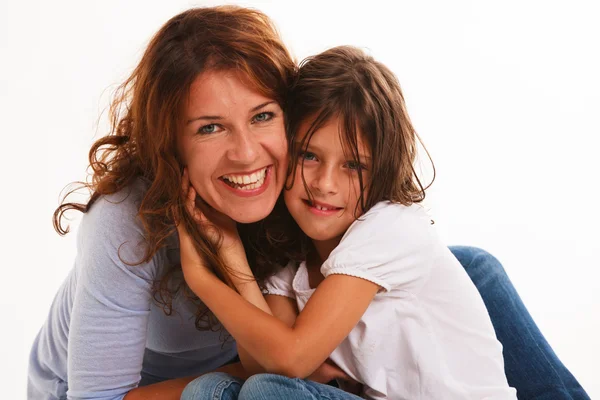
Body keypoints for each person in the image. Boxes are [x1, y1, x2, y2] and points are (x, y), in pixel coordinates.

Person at [28, 5, 589, 400]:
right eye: (209, 128)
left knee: (472, 267)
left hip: (257, 358)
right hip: (128, 392)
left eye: (263, 116)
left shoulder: (290, 183)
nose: (247, 154)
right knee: (257, 388)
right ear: (168, 140)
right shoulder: (125, 224)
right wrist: (272, 365)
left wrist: (296, 355)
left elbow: (277, 349)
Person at [177, 45, 519, 399]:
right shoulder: (293, 267)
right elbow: (265, 362)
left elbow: (290, 360)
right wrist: (231, 255)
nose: (326, 184)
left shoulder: (389, 228)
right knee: (210, 391)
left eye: (353, 166)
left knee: (268, 394)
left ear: (383, 170)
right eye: (309, 155)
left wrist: (202, 278)